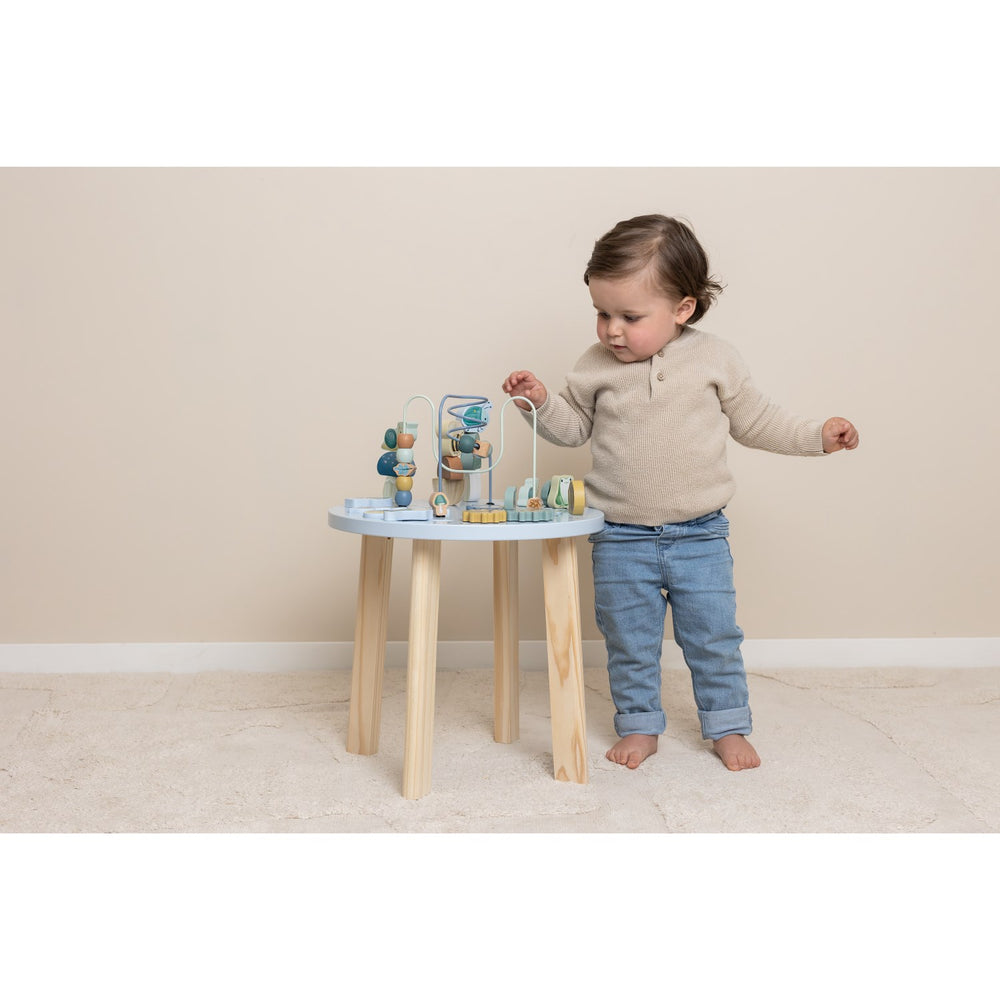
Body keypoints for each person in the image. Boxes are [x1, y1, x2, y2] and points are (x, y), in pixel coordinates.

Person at [502, 215, 859, 772]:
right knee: (629, 641)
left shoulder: (716, 358)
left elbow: (757, 421)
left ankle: (727, 725)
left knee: (714, 637)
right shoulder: (594, 365)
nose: (612, 330)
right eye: (602, 313)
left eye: (630, 317)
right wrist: (541, 403)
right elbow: (572, 430)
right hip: (619, 536)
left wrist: (817, 436)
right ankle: (639, 724)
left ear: (682, 309)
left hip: (700, 534)